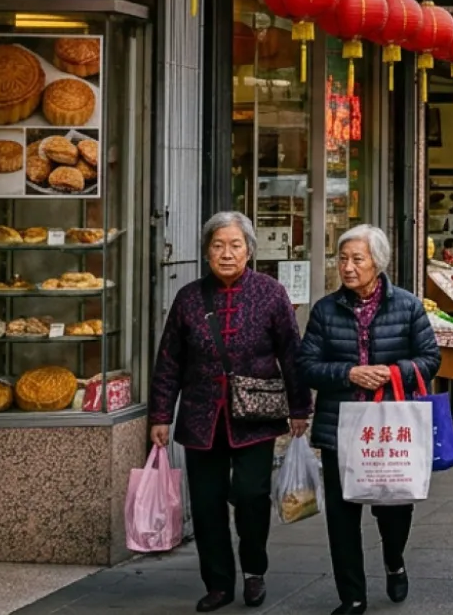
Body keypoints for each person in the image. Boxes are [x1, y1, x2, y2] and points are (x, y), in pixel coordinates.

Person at [150, 211, 310, 612]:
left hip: (255, 416)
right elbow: (169, 360)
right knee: (207, 504)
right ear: (206, 252)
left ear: (250, 251)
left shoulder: (270, 294)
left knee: (252, 495)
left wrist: (299, 407)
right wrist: (160, 415)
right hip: (202, 418)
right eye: (218, 245)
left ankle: (254, 571)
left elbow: (292, 353)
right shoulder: (188, 298)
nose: (226, 253)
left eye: (235, 245)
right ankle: (219, 582)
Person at [298, 225, 440, 615]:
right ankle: (352, 596)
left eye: (357, 259)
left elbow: (430, 359)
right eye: (342, 259)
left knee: (394, 511)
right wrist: (349, 374)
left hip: (389, 428)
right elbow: (306, 365)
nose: (347, 267)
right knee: (342, 521)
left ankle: (394, 561)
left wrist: (394, 371)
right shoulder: (326, 310)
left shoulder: (408, 306)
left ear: (378, 262)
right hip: (339, 429)